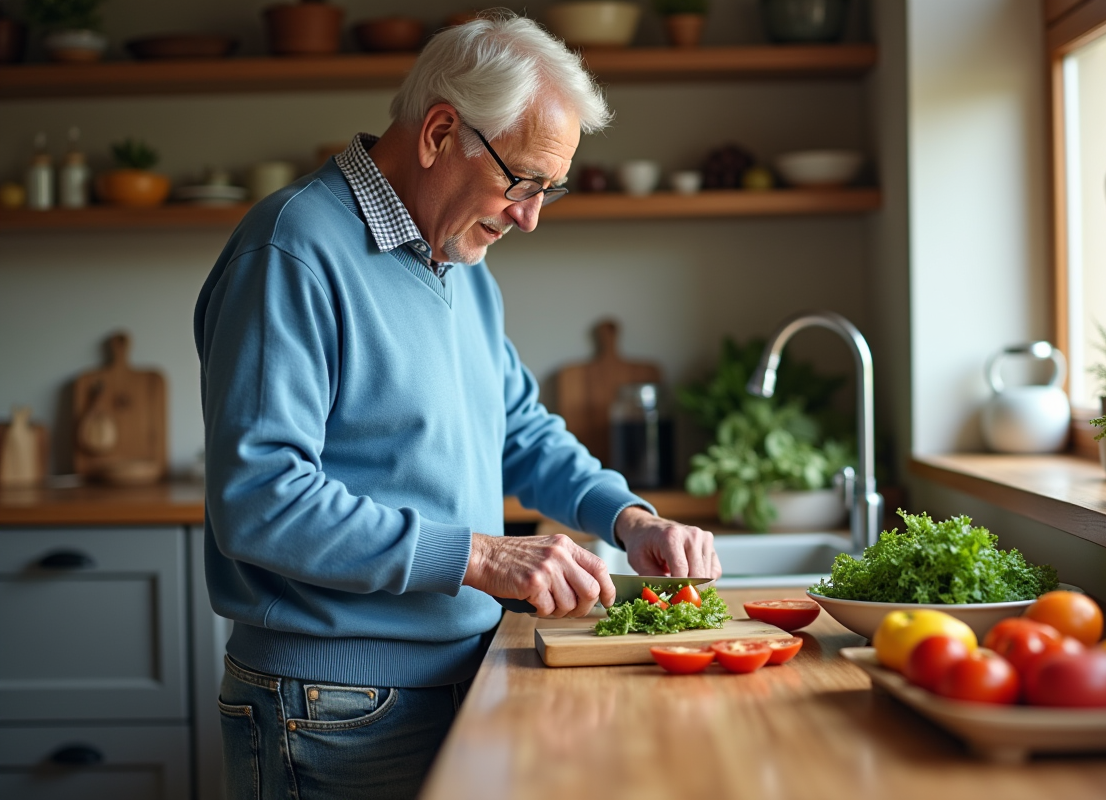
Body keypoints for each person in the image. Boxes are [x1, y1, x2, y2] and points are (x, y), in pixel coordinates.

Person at [194, 11, 721, 800]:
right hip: (331, 710)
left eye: (552, 190)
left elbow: (520, 431)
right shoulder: (293, 248)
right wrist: (483, 557)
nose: (531, 215)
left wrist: (627, 518)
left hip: (455, 678)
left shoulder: (458, 263)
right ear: (441, 133)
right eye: (523, 182)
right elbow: (260, 499)